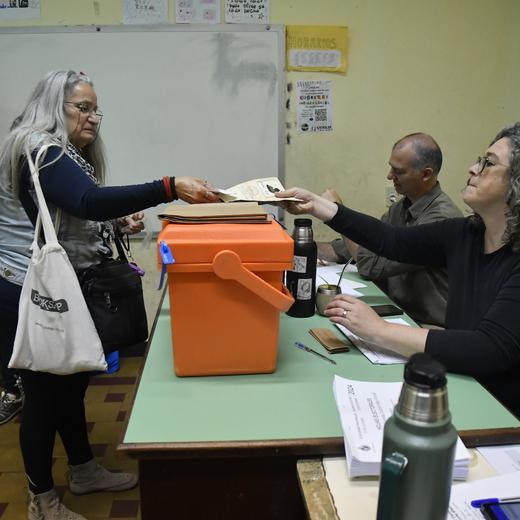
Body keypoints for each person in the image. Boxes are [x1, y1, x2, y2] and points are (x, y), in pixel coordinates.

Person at [0, 70, 221, 520]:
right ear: (52, 107)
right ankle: (41, 500)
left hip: (64, 283)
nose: (93, 118)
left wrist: (117, 224)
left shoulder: (65, 152)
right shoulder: (37, 148)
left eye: (96, 109)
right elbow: (86, 202)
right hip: (31, 288)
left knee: (71, 384)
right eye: (82, 107)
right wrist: (168, 186)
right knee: (43, 399)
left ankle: (82, 470)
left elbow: (72, 213)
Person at [277, 122, 520, 418]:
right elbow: (390, 240)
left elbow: (490, 347)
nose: (472, 168)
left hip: (501, 413)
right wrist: (317, 205)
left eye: (488, 163)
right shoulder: (465, 234)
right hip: (460, 385)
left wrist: (380, 331)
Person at [317, 134, 462, 327]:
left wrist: (337, 213)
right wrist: (296, 246)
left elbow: (369, 265)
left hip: (429, 326)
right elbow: (363, 246)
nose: (389, 176)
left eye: (398, 171)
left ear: (426, 174)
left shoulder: (441, 219)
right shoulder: (404, 206)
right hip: (398, 311)